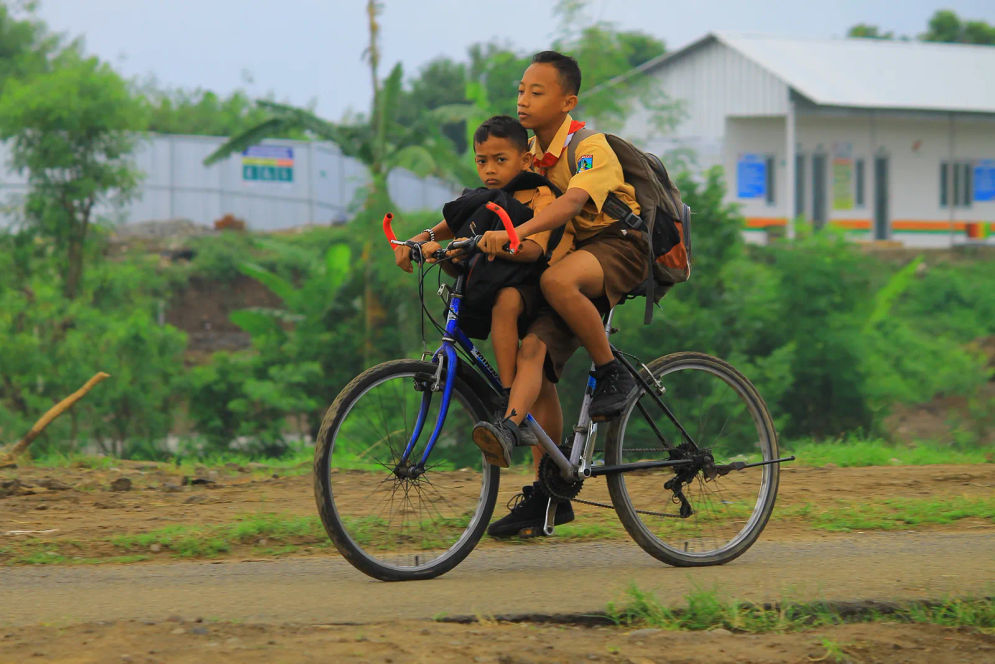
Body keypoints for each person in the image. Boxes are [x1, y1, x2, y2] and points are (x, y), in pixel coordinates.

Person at [471, 51, 649, 528]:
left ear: (567, 100)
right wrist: (434, 240)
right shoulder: (527, 153)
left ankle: (613, 372)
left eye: (537, 92)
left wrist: (520, 234)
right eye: (521, 90)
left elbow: (572, 202)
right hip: (572, 257)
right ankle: (550, 491)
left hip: (619, 242)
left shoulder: (587, 145)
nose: (524, 100)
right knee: (535, 358)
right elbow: (491, 201)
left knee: (555, 280)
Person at [393, 116, 571, 510]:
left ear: (525, 159)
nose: (490, 169)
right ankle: (550, 492)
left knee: (507, 301)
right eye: (481, 161)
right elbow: (444, 229)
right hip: (500, 286)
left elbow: (535, 248)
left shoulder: (540, 194)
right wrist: (418, 242)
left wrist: (503, 242)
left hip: (541, 288)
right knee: (539, 380)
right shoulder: (477, 200)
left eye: (500, 159)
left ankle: (508, 405)